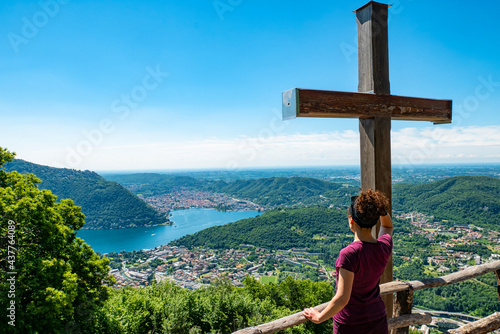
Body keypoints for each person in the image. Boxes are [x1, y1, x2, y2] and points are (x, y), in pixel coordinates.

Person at [303, 189, 393, 334]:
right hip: (378, 319)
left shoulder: (349, 254)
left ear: (351, 221)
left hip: (351, 324)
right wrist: (381, 210)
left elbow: (342, 298)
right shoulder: (383, 247)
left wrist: (319, 317)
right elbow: (387, 226)